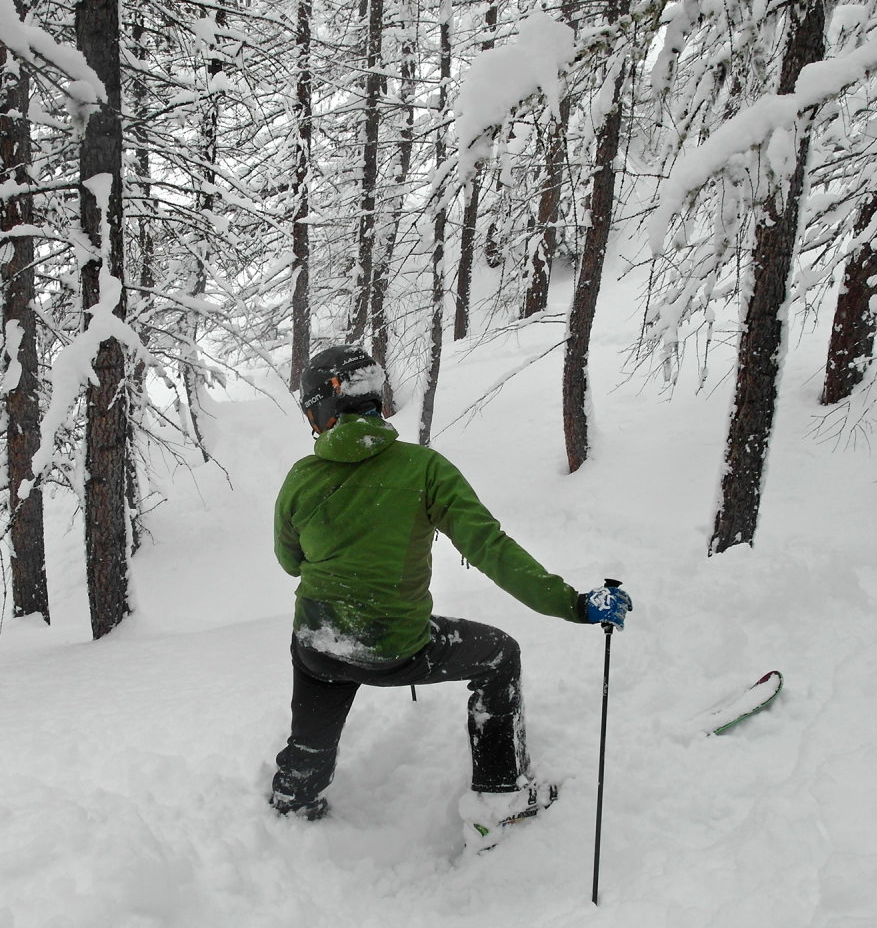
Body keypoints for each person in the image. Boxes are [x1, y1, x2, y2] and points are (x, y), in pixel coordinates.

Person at [268, 344, 632, 848]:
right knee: (499, 654)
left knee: (311, 719)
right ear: (374, 399)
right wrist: (572, 603)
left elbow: (290, 563)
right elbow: (491, 548)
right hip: (397, 650)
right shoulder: (424, 469)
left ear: (323, 411)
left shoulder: (300, 479)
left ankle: (294, 800)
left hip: (317, 644)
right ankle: (499, 794)